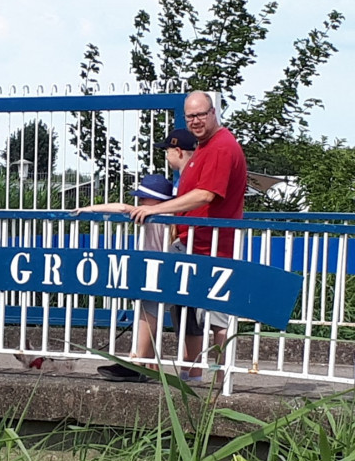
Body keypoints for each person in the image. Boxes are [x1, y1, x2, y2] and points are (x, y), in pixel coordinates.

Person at [130, 91, 248, 380]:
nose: (195, 121)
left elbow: (206, 194)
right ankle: (142, 363)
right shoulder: (205, 146)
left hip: (213, 246)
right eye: (190, 116)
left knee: (216, 316)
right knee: (159, 293)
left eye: (200, 114)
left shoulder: (221, 147)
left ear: (213, 113)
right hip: (191, 242)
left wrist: (159, 210)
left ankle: (220, 381)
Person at [73, 173, 175, 382]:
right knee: (153, 316)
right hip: (167, 267)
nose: (139, 202)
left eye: (144, 198)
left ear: (156, 200)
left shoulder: (152, 214)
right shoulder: (174, 215)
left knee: (148, 314)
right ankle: (149, 363)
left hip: (154, 268)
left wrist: (90, 209)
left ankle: (137, 363)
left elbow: (121, 208)